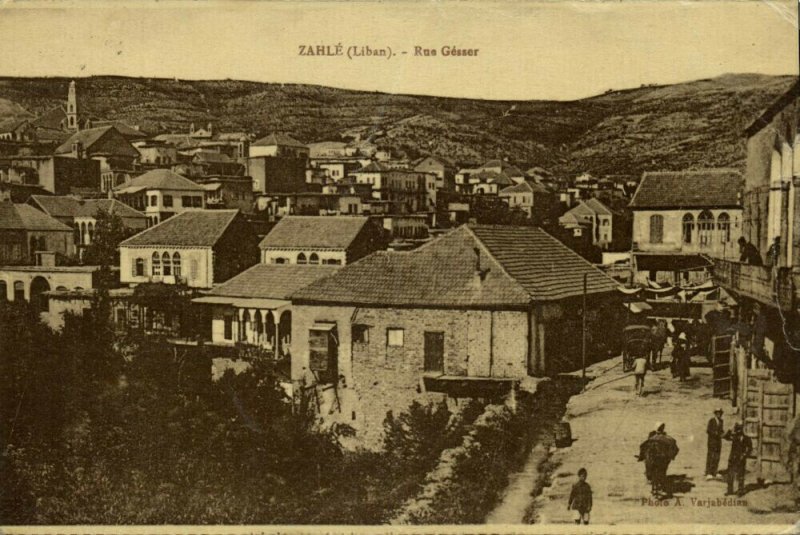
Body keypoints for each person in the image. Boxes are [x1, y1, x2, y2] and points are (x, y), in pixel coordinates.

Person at [648, 423, 679, 497]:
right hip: (664, 459)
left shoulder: (652, 438)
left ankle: (655, 489)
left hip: (654, 458)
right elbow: (676, 449)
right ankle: (660, 488)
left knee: (654, 472)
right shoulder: (669, 439)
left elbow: (645, 448)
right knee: (662, 472)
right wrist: (671, 457)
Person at [724, 423, 753, 496]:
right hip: (733, 458)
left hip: (741, 458)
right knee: (730, 474)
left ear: (742, 429)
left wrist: (744, 455)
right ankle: (730, 490)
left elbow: (750, 448)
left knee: (741, 474)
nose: (738, 431)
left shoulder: (747, 438)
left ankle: (740, 490)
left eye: (739, 429)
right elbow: (726, 437)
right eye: (737, 429)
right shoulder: (734, 437)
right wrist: (730, 430)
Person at [706, 408, 725, 480]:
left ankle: (715, 471)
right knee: (711, 456)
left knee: (717, 456)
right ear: (715, 413)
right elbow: (708, 430)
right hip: (712, 441)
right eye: (717, 413)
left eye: (720, 413)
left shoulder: (721, 421)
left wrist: (725, 434)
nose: (719, 414)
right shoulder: (711, 421)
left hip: (718, 441)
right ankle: (709, 472)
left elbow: (721, 431)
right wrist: (714, 433)